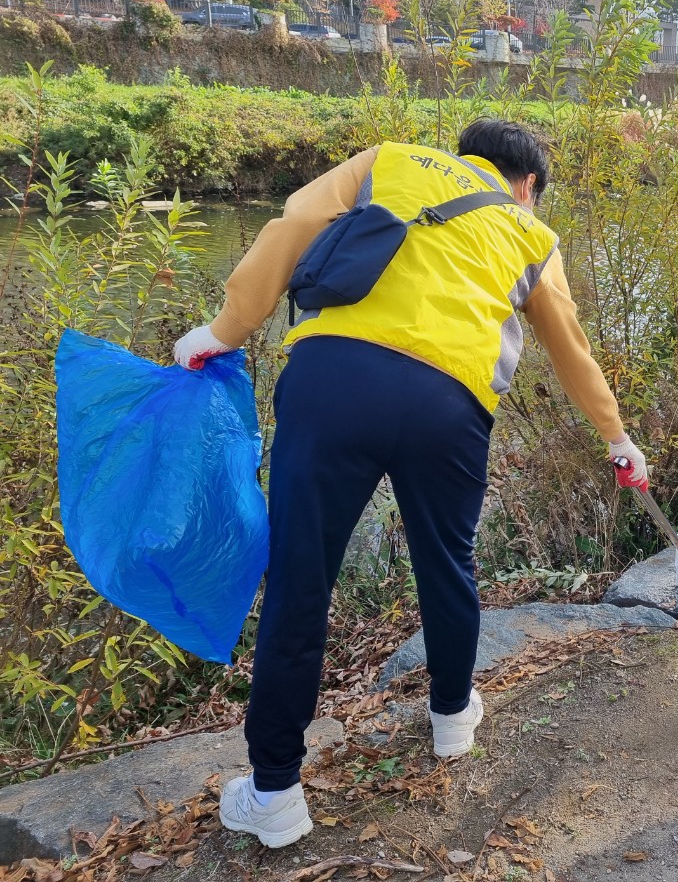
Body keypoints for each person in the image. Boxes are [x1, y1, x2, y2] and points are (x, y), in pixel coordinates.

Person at [173, 120, 648, 847]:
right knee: (447, 561)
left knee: (301, 580)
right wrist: (618, 439)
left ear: (466, 155)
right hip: (447, 407)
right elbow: (569, 345)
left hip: (333, 377)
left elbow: (295, 221)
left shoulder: (389, 160)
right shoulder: (528, 231)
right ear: (527, 186)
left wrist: (226, 329)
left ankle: (274, 792)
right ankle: (453, 720)